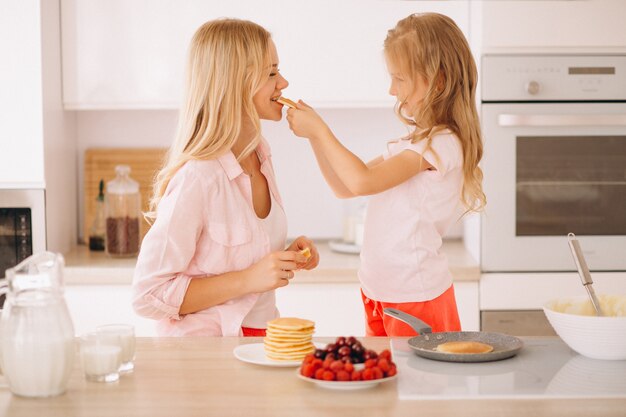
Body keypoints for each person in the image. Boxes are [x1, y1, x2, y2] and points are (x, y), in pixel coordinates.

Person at [286, 13, 486, 337]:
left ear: (438, 81)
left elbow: (362, 180)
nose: (392, 89)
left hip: (415, 298)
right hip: (381, 292)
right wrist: (313, 138)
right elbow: (345, 187)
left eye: (400, 78)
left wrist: (321, 131)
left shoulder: (441, 144)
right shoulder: (416, 142)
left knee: (421, 385)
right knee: (389, 384)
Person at [132, 19, 319, 337]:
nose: (283, 83)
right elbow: (147, 296)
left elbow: (238, 257)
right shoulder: (199, 177)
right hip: (204, 358)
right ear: (236, 83)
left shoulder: (260, 154)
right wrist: (250, 278)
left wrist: (285, 257)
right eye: (271, 73)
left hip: (258, 338)